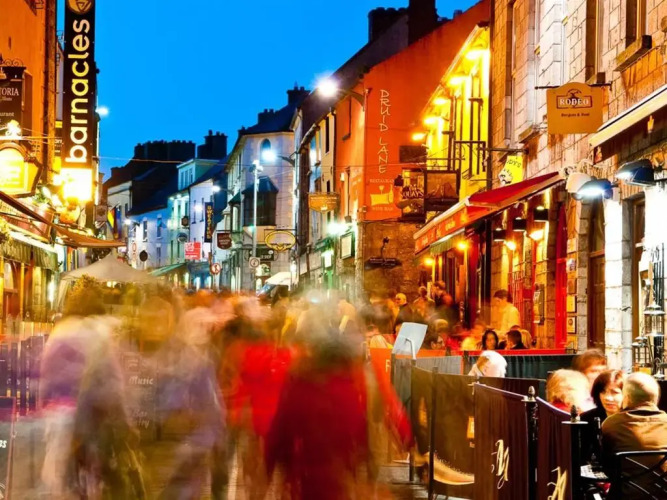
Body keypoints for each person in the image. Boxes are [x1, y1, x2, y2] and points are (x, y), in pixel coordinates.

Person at [601, 372, 667, 493]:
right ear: (656, 398)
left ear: (626, 397)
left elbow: (606, 466)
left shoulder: (611, 424)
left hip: (626, 496)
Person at [581, 370, 625, 462]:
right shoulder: (586, 418)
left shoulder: (633, 419)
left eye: (614, 392)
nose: (607, 398)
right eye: (603, 392)